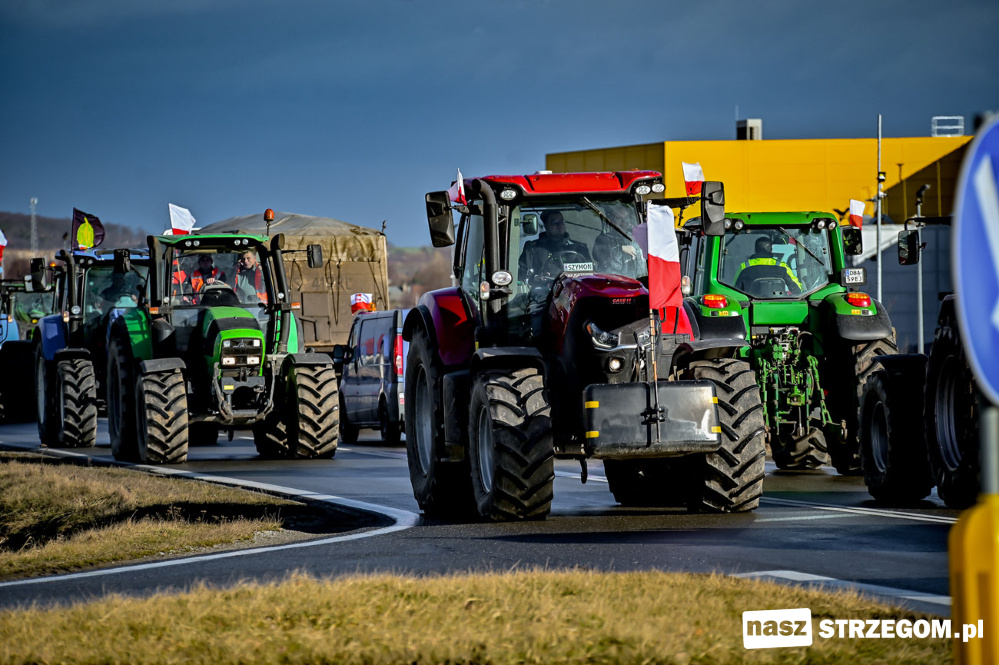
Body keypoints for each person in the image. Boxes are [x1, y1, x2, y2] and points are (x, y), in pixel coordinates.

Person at [518, 210, 591, 281]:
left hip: (574, 289)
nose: (559, 225)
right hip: (543, 290)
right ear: (546, 226)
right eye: (555, 222)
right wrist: (536, 278)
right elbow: (522, 275)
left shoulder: (579, 248)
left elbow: (590, 273)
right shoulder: (532, 248)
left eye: (561, 222)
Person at [734, 236, 802, 293]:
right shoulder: (781, 266)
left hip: (751, 305)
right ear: (771, 249)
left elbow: (735, 290)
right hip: (778, 305)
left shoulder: (744, 266)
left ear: (755, 250)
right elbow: (797, 289)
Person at [591, 207, 641, 276]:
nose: (623, 222)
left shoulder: (636, 239)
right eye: (619, 219)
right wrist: (620, 248)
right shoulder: (603, 239)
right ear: (613, 221)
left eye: (626, 218)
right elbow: (598, 253)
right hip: (612, 282)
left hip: (634, 282)